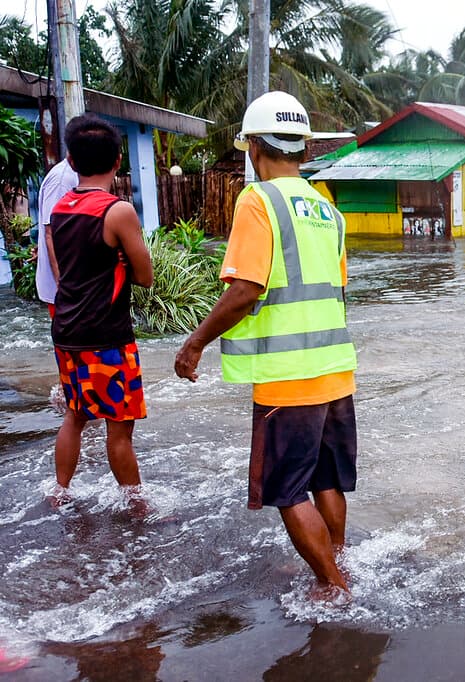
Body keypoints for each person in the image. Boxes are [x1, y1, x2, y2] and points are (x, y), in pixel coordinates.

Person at [174, 91, 357, 595]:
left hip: (288, 376)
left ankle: (333, 585)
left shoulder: (258, 201)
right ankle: (339, 561)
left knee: (288, 490)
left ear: (254, 147)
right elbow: (337, 290)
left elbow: (246, 289)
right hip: (335, 369)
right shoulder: (328, 210)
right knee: (326, 479)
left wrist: (195, 343)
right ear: (304, 147)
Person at [49, 114, 154, 503]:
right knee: (119, 428)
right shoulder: (117, 211)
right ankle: (136, 504)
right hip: (106, 335)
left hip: (67, 330)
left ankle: (60, 491)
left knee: (75, 415)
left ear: (71, 161)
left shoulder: (61, 208)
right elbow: (145, 276)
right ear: (118, 161)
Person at [36, 157, 79, 315]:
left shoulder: (75, 174)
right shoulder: (62, 179)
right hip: (66, 288)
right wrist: (64, 287)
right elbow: (52, 233)